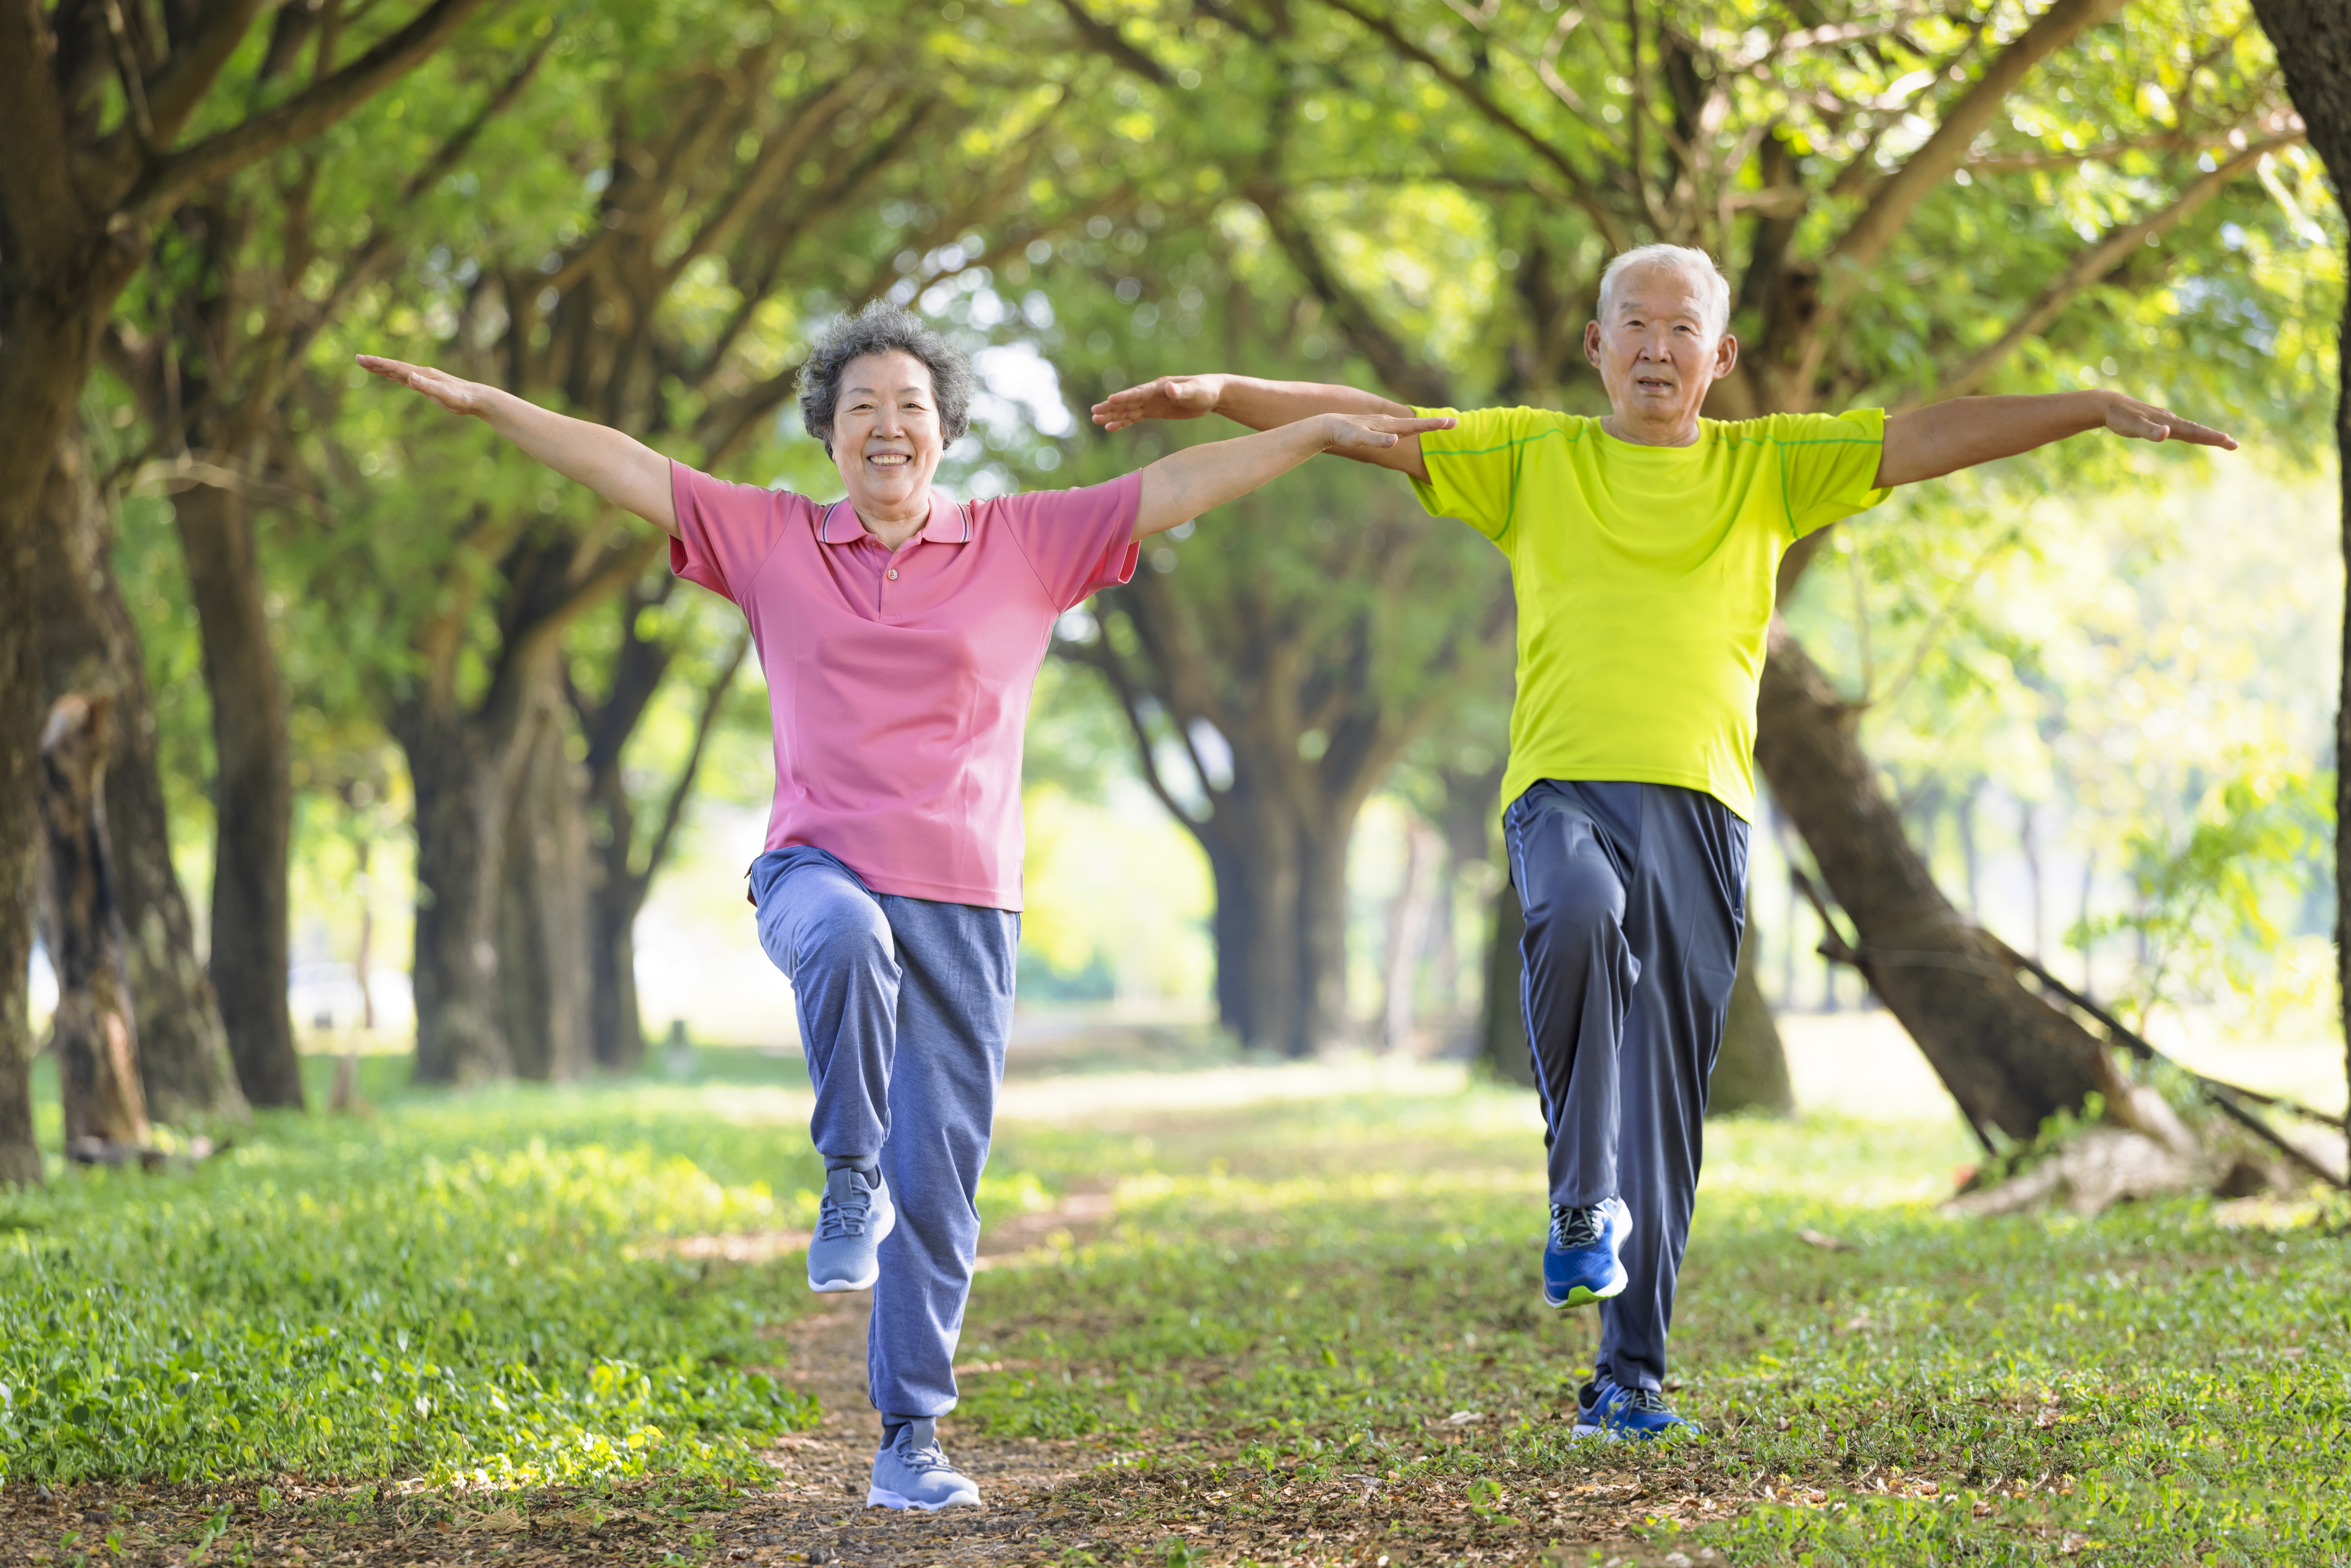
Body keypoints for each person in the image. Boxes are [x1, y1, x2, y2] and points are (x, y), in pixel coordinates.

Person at [1091, 243, 2235, 1441]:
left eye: (1679, 328)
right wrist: (1224, 393)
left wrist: (2088, 411)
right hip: (1562, 793)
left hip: (1701, 815)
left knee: (1670, 1109)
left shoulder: (1767, 468)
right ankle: (1577, 1199)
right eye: (1630, 324)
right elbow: (1371, 423)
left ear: (1720, 356)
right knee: (1575, 915)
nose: (1653, 346)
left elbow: (1924, 434)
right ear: (1594, 346)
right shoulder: (1532, 456)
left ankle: (1628, 1375)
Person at [360, 303, 1449, 1506]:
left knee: (940, 1191)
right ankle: (844, 1170)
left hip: (969, 907)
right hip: (815, 869)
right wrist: (486, 405)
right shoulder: (770, 540)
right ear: (827, 432)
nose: (888, 425)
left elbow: (1178, 478)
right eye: (863, 407)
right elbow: (619, 460)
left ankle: (907, 1439)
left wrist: (1316, 433)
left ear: (943, 435)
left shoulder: (1023, 543)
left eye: (911, 408)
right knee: (844, 939)